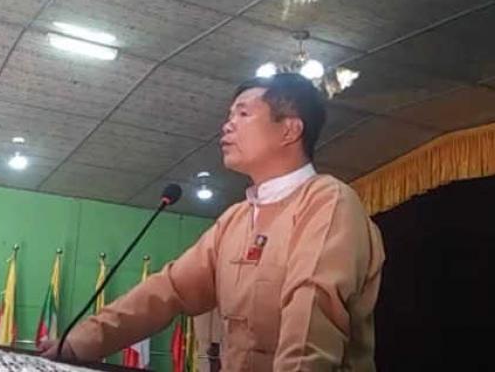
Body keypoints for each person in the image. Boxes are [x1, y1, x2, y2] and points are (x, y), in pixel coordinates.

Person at [40, 73, 385, 371]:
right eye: (229, 115)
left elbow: (312, 317)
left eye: (243, 113)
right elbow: (167, 291)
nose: (227, 124)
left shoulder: (328, 202)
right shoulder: (236, 219)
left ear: (289, 130)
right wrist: (77, 344)